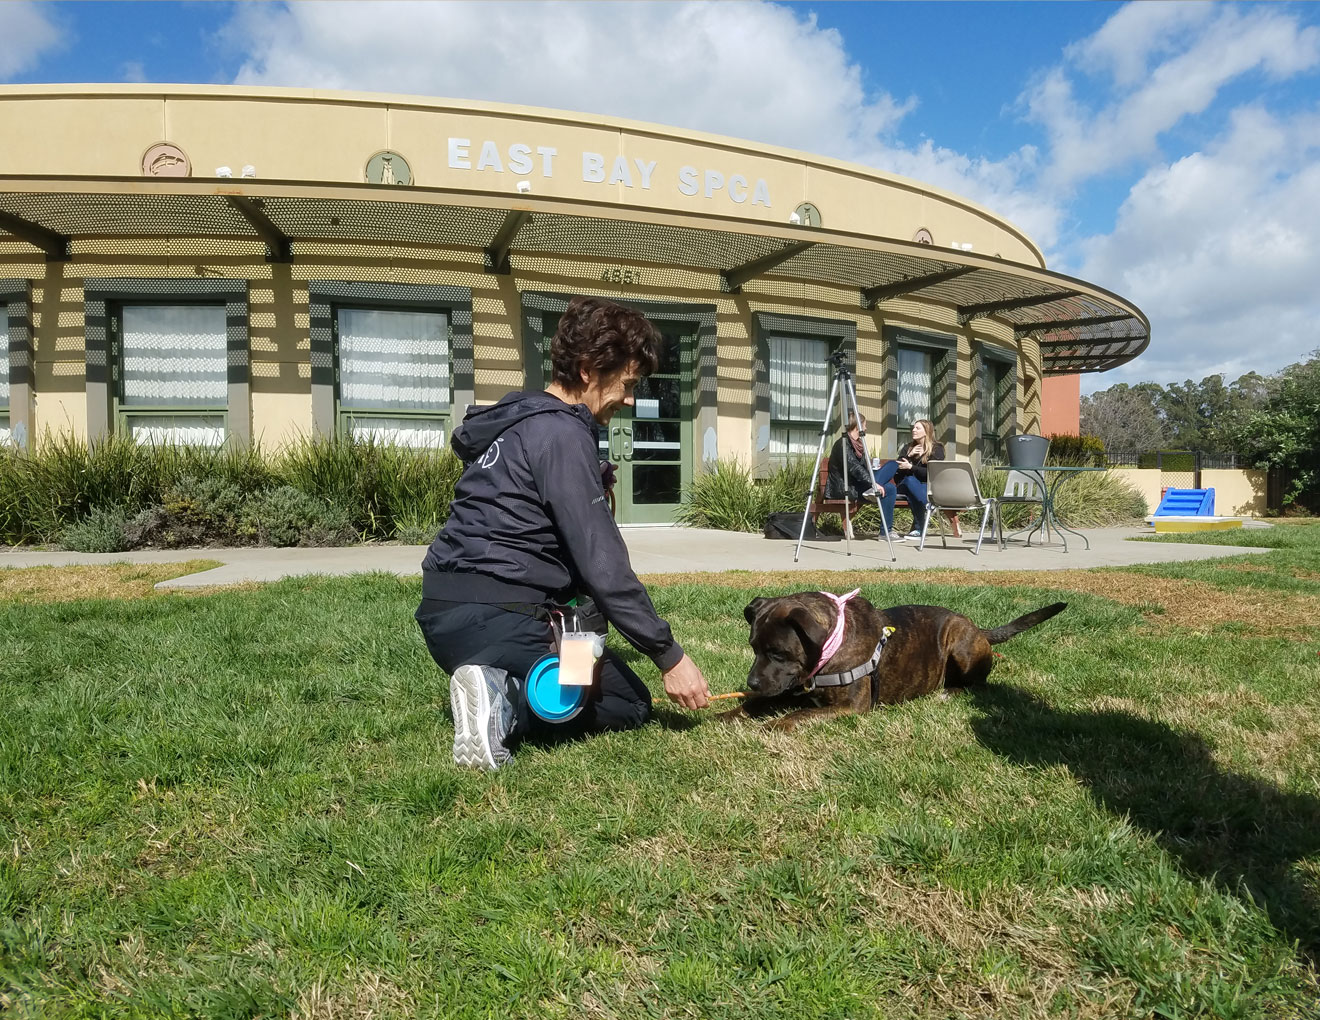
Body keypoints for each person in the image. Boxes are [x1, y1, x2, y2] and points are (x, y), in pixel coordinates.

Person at [414, 296, 710, 770]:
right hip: (502, 614)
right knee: (627, 702)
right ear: (590, 369)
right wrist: (669, 656)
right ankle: (503, 699)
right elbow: (603, 566)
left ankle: (495, 677)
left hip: (443, 613)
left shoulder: (520, 423)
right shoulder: (563, 434)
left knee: (580, 651)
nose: (631, 399)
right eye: (628, 383)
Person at [871, 418, 960, 540]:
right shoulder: (908, 447)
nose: (914, 430)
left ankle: (919, 529)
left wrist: (911, 467)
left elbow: (932, 473)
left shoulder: (936, 449)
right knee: (908, 480)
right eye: (913, 428)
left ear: (926, 431)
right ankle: (927, 506)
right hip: (904, 485)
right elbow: (898, 469)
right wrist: (909, 455)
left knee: (913, 490)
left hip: (925, 486)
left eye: (918, 428)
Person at [826, 411, 880, 504]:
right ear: (858, 427)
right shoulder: (843, 444)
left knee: (889, 486)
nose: (866, 428)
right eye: (864, 425)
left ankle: (886, 519)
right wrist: (873, 483)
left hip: (858, 485)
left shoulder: (859, 445)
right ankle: (872, 490)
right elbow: (854, 467)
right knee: (884, 490)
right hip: (845, 489)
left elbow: (863, 468)